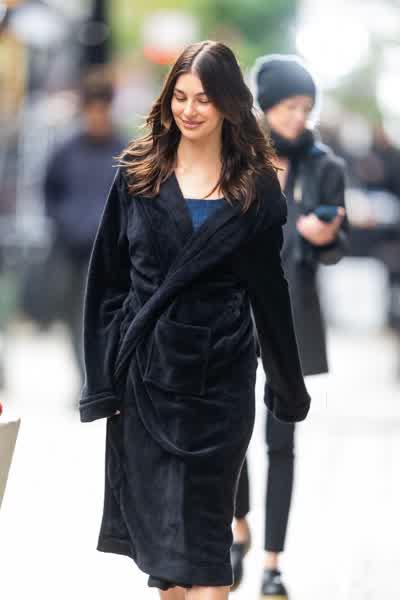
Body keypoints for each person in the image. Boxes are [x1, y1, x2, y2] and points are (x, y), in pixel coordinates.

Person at [79, 41, 311, 600]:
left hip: (219, 388)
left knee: (207, 548)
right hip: (146, 384)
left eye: (203, 99)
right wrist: (102, 382)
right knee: (165, 559)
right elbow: (106, 281)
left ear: (229, 104)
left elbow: (270, 296)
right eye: (179, 97)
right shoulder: (139, 174)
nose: (188, 110)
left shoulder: (254, 190)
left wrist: (286, 386)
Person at [231, 55, 348, 599]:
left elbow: (335, 247)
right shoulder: (237, 157)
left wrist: (326, 238)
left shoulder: (325, 166)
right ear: (266, 106)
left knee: (282, 439)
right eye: (289, 107)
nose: (299, 117)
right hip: (235, 310)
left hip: (292, 315)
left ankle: (272, 563)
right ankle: (239, 528)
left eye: (307, 108)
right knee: (230, 429)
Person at [44, 69, 125, 388]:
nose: (97, 117)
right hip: (73, 250)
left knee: (110, 315)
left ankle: (104, 377)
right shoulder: (65, 152)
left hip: (113, 252)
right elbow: (50, 193)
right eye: (91, 109)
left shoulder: (125, 152)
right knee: (74, 316)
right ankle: (87, 379)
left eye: (102, 109)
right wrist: (64, 222)